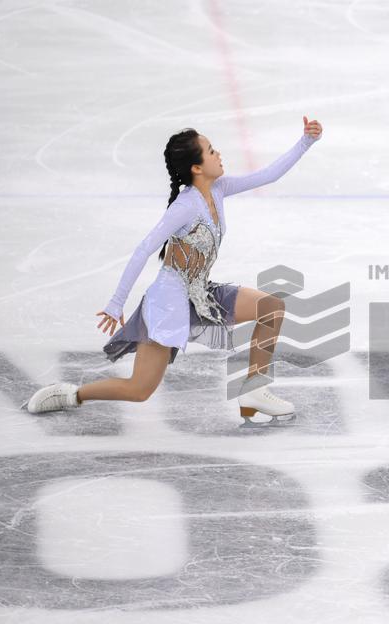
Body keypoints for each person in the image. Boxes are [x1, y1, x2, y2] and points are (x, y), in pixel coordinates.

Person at [24, 117, 324, 421]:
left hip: (199, 293)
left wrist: (306, 141)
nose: (218, 154)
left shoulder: (218, 189)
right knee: (139, 390)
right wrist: (116, 303)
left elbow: (268, 175)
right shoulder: (184, 207)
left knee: (271, 307)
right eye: (210, 151)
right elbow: (144, 249)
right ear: (196, 167)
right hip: (167, 303)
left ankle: (254, 390)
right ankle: (70, 394)